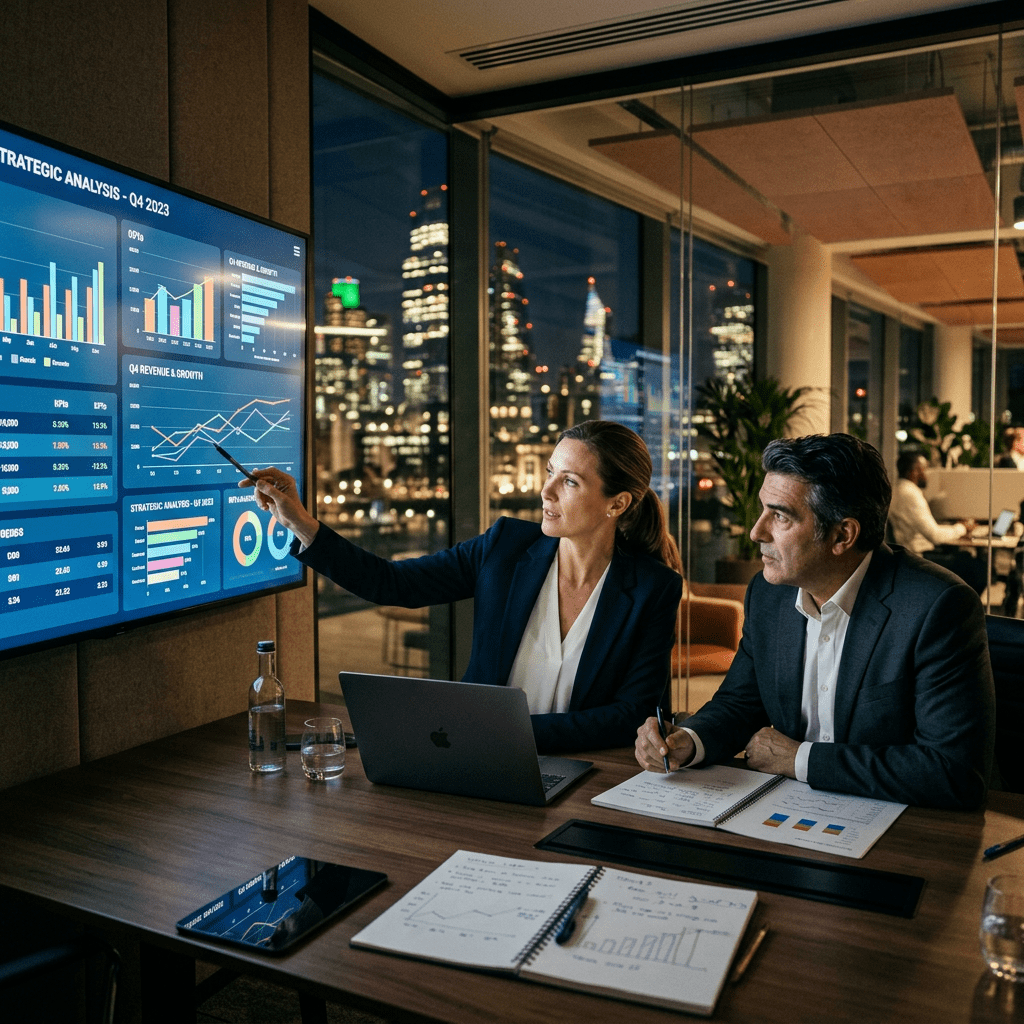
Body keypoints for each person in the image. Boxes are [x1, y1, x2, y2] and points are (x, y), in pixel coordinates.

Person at [249, 420, 683, 754]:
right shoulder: (505, 547)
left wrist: (499, 730)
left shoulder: (653, 588)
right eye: (551, 472)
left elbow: (631, 715)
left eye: (570, 481)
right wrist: (301, 524)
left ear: (617, 503)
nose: (546, 491)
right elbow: (393, 583)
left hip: (586, 772)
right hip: (477, 759)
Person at [635, 433, 994, 810]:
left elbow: (954, 772)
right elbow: (740, 703)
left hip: (902, 823)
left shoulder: (938, 607)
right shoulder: (768, 594)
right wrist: (688, 740)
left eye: (780, 516)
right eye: (763, 510)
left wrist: (799, 759)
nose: (757, 531)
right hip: (788, 812)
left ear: (842, 535)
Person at [888, 451, 986, 595]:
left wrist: (956, 527)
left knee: (965, 558)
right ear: (914, 472)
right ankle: (961, 606)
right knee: (978, 569)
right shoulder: (910, 494)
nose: (927, 474)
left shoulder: (897, 489)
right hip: (918, 557)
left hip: (908, 555)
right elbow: (935, 536)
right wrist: (963, 527)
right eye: (924, 469)